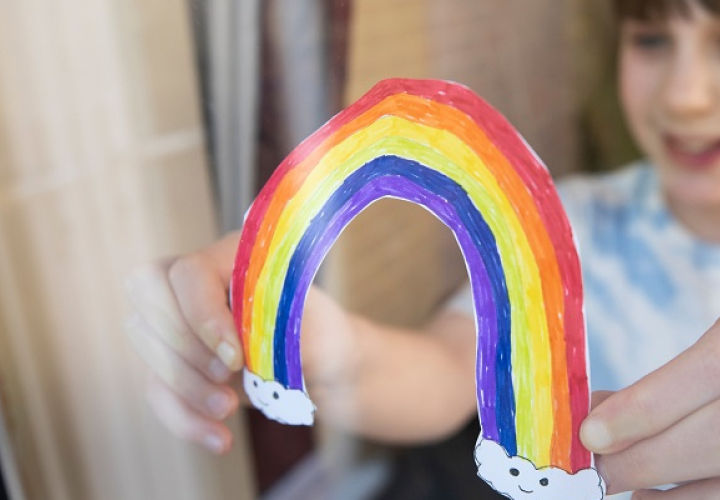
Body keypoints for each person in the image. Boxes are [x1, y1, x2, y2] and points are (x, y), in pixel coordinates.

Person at [124, 0, 720, 498]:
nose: (686, 95)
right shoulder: (579, 221)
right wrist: (331, 350)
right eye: (650, 40)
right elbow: (446, 369)